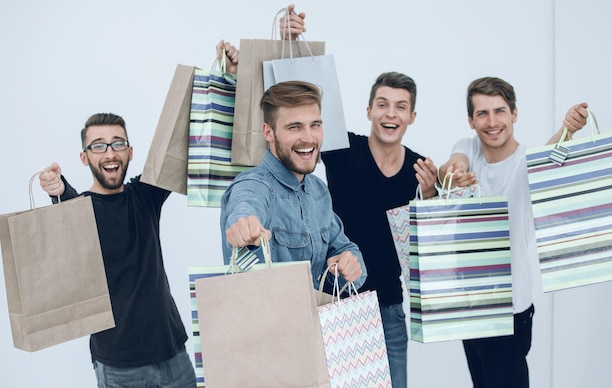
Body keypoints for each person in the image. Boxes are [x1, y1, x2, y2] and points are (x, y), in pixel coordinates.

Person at [280, 7, 439, 388]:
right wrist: (289, 42)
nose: (390, 113)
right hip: (337, 299)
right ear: (369, 110)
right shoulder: (341, 149)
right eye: (382, 104)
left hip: (389, 306)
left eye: (401, 106)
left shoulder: (420, 169)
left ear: (412, 116)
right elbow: (302, 97)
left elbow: (430, 245)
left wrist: (430, 196)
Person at [438, 76, 588, 388]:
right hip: (468, 305)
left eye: (500, 111)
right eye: (482, 113)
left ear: (514, 114)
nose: (491, 122)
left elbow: (545, 158)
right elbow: (453, 161)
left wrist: (568, 129)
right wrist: (453, 171)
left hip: (508, 311)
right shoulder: (470, 149)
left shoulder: (525, 162)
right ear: (470, 120)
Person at [38, 113, 196, 388]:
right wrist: (58, 189)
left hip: (175, 356)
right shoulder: (83, 209)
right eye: (98, 146)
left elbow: (178, 144)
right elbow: (73, 208)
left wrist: (226, 75)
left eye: (118, 143)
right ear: (85, 157)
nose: (110, 153)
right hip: (120, 368)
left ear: (130, 152)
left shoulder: (145, 195)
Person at [220, 80, 367, 292]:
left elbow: (343, 246)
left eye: (315, 125)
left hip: (314, 322)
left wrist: (351, 263)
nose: (308, 137)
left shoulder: (318, 191)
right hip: (266, 324)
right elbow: (245, 206)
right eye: (294, 127)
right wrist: (242, 226)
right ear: (268, 132)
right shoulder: (253, 185)